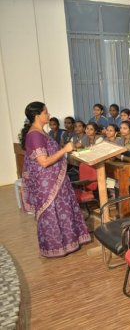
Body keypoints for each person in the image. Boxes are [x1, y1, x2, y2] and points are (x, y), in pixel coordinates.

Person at [20, 101, 90, 257]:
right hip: (47, 185)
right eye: (46, 112)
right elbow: (43, 161)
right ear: (37, 115)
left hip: (54, 181)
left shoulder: (40, 132)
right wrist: (65, 149)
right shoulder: (34, 135)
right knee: (52, 214)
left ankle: (67, 243)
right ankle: (56, 247)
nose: (49, 114)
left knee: (62, 212)